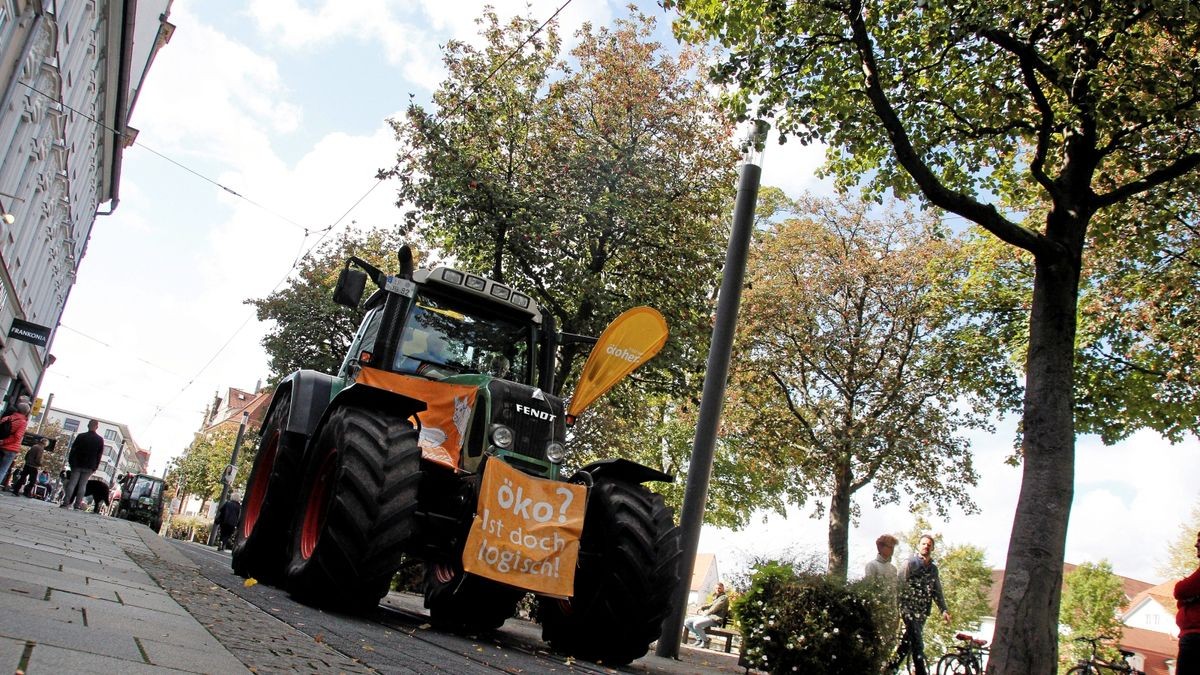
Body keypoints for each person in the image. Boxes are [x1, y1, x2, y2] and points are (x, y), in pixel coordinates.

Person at [887, 534, 951, 675]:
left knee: (908, 642)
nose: (926, 546)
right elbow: (899, 585)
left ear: (932, 548)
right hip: (908, 609)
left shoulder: (933, 569)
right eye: (923, 544)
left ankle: (891, 668)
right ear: (919, 546)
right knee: (918, 643)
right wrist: (897, 609)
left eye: (929, 544)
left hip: (922, 611)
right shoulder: (910, 563)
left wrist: (944, 610)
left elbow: (936, 590)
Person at [60, 419, 104, 510]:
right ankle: (77, 505)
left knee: (72, 483)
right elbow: (99, 455)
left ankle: (66, 503)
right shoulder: (100, 440)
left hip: (77, 464)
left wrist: (71, 461)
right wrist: (95, 466)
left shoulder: (81, 436)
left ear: (88, 426)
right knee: (83, 485)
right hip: (89, 466)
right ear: (97, 427)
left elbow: (73, 450)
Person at [1176, 529, 1200, 675]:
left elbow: (1180, 591)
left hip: (1195, 640)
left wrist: (1186, 599)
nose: (1196, 545)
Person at [683, 582, 729, 647]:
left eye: (719, 588)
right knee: (687, 622)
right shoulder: (717, 597)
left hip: (715, 620)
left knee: (696, 624)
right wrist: (701, 607)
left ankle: (706, 641)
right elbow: (710, 604)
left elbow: (715, 608)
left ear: (723, 589)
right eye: (716, 588)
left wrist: (705, 613)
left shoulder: (724, 598)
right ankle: (699, 639)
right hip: (708, 617)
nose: (718, 589)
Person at [0, 401, 31, 488]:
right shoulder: (23, 422)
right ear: (26, 412)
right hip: (11, 449)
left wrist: (1, 442)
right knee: (3, 469)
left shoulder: (6, 418)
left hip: (1, 446)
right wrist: (4, 442)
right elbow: (17, 437)